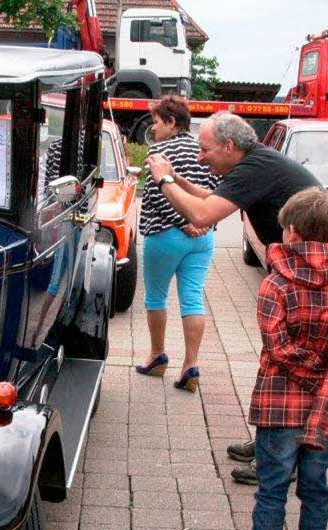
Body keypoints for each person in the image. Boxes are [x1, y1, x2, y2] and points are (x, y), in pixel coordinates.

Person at [145, 113, 328, 468]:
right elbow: (213, 199)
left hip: (327, 263)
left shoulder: (255, 167)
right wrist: (179, 180)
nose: (201, 158)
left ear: (229, 146)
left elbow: (202, 216)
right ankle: (272, 444)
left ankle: (284, 460)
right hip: (306, 264)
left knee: (298, 361)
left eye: (205, 150)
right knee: (281, 357)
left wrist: (164, 178)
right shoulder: (252, 164)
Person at [210, 187, 328, 530]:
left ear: (292, 233)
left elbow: (277, 347)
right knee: (316, 488)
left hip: (279, 408)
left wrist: (310, 373)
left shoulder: (275, 287)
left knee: (272, 489)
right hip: (322, 414)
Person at [135, 95, 217, 391]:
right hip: (203, 237)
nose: (154, 129)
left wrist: (183, 222)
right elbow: (217, 192)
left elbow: (156, 194)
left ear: (171, 121)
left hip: (165, 235)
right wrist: (202, 222)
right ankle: (190, 365)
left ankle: (157, 357)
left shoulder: (158, 152)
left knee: (156, 297)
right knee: (193, 297)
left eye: (156, 122)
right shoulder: (205, 150)